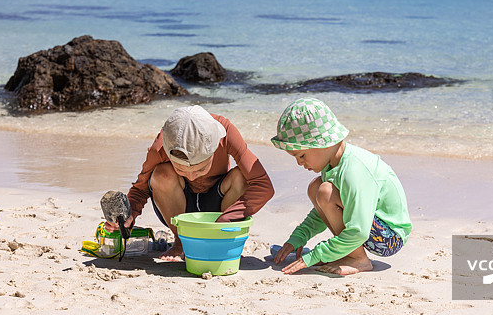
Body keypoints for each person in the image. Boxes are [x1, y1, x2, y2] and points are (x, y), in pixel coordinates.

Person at [104, 105, 274, 261]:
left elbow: (263, 185)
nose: (192, 177)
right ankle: (181, 243)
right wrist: (128, 216)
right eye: (182, 170)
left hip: (218, 206)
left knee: (242, 177)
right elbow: (140, 190)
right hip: (178, 208)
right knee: (161, 174)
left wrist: (227, 218)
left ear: (214, 149)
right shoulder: (160, 147)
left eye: (200, 169)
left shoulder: (226, 132)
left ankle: (222, 239)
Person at [270, 97, 411, 275]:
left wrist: (315, 255)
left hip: (389, 236)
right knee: (316, 188)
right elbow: (323, 213)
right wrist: (299, 236)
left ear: (320, 144)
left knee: (324, 191)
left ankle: (358, 259)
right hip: (367, 226)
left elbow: (359, 231)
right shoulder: (332, 165)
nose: (299, 163)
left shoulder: (354, 169)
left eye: (302, 155)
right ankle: (352, 253)